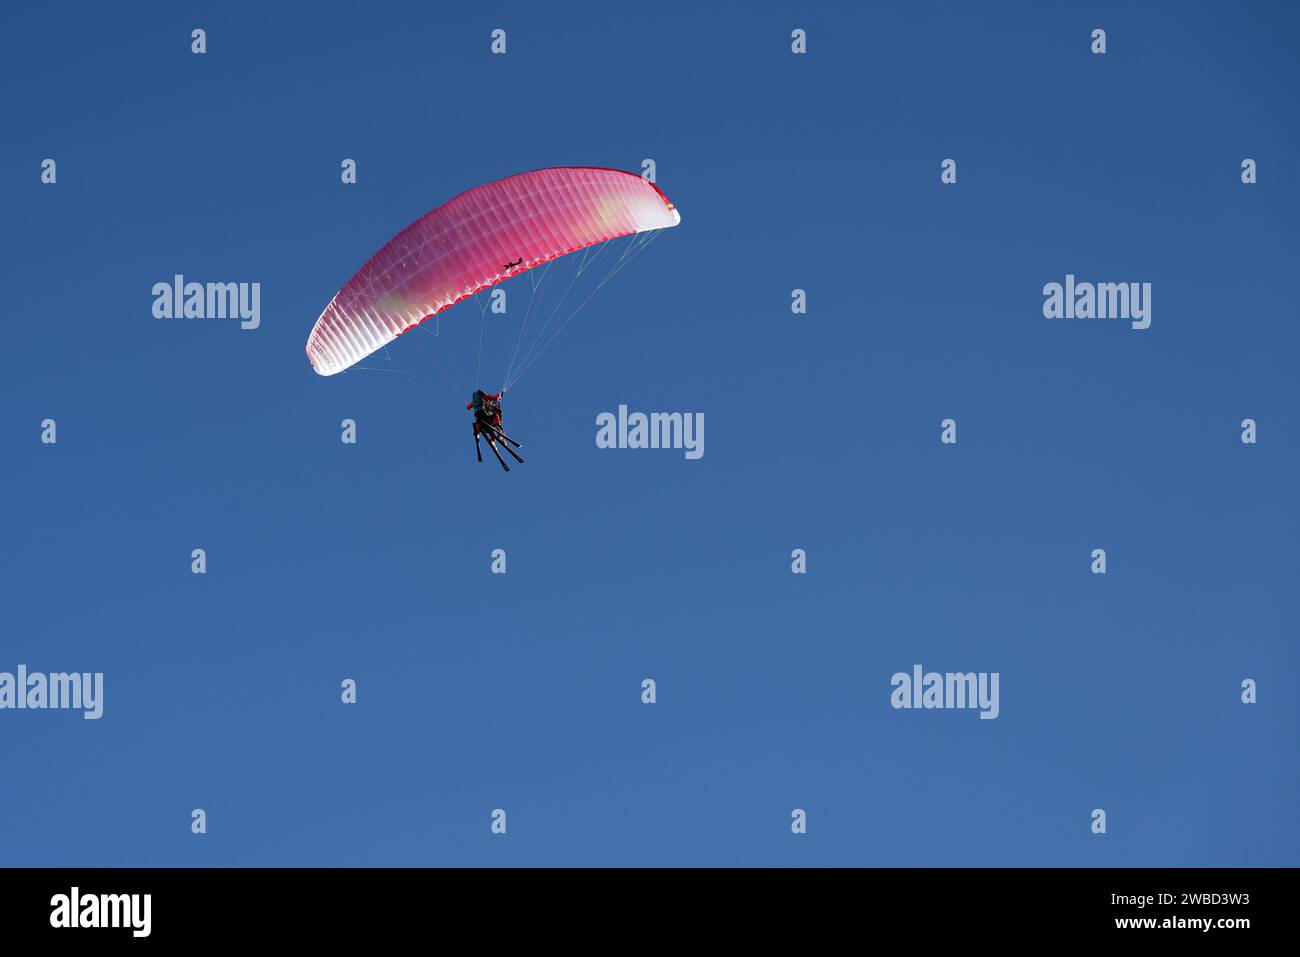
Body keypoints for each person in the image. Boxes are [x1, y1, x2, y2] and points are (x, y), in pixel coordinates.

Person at [468, 389, 523, 470]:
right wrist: (500, 393)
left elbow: (468, 407)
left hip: (479, 418)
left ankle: (487, 436)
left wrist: (472, 405)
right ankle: (500, 435)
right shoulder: (486, 397)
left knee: (487, 426)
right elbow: (495, 398)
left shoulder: (475, 401)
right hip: (486, 415)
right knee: (496, 415)